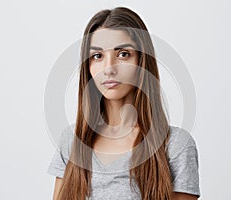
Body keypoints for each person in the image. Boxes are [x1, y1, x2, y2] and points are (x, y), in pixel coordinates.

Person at [47, 7, 201, 200]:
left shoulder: (176, 145)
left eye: (123, 54)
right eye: (97, 56)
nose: (109, 68)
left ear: (141, 62)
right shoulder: (71, 141)